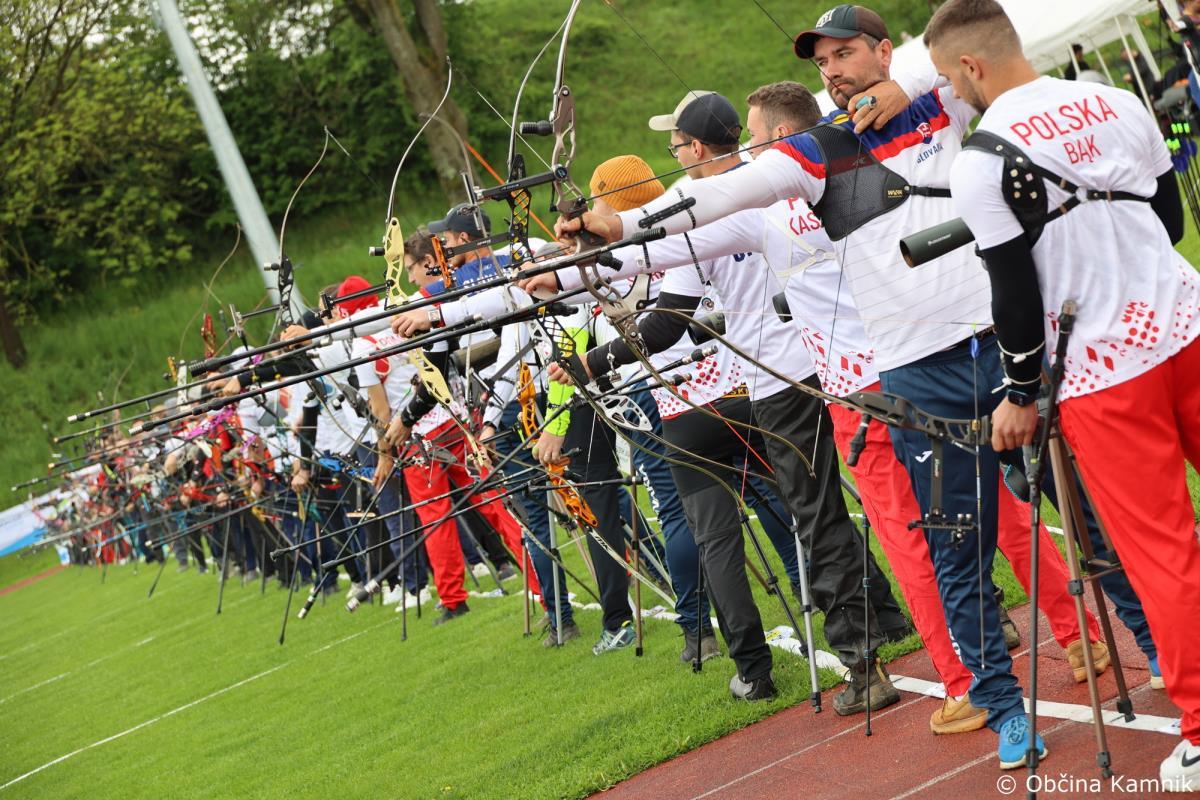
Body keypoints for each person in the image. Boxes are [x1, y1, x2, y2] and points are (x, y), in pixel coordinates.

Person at [926, 0, 1200, 788]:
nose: (951, 94)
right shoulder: (1116, 101)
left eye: (949, 79)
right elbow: (1170, 220)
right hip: (1185, 322)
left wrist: (1019, 391)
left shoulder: (981, 159)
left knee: (1162, 551)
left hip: (1104, 375)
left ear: (971, 65)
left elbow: (1014, 295)